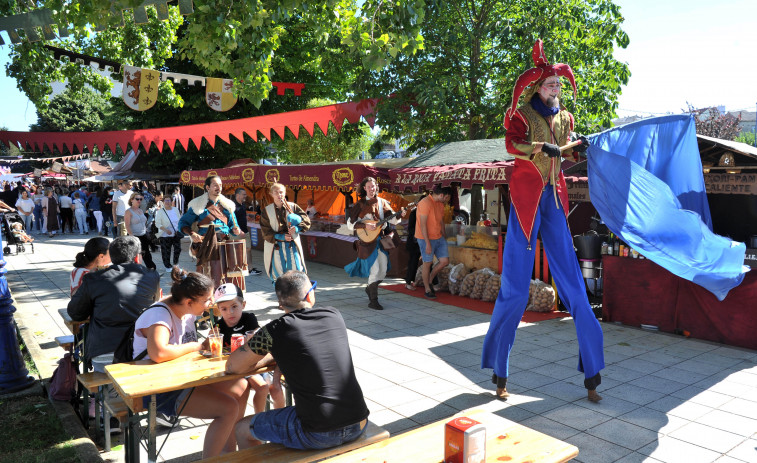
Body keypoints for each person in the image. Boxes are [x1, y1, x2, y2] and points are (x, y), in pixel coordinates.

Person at [481, 39, 601, 403]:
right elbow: (510, 145)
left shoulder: (565, 117)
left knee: (576, 289)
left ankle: (593, 373)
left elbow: (564, 147)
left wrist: (576, 144)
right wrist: (537, 148)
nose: (555, 90)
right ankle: (500, 373)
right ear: (537, 88)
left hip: (554, 199)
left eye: (558, 86)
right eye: (550, 85)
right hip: (526, 202)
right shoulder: (521, 115)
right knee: (515, 289)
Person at [227, 270, 369, 450]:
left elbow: (233, 366)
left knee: (241, 427)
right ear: (310, 296)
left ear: (280, 304)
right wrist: (277, 353)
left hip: (317, 432)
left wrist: (268, 356)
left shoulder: (275, 331)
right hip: (359, 422)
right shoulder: (334, 316)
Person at [133, 268, 249, 458]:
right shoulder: (160, 316)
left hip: (183, 378)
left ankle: (228, 450)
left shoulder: (186, 310)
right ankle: (210, 459)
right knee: (228, 409)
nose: (211, 304)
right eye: (206, 300)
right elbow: (159, 352)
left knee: (241, 387)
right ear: (189, 302)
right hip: (159, 388)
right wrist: (196, 346)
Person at [67, 236, 160, 366]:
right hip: (143, 348)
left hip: (106, 350)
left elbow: (75, 313)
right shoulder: (152, 276)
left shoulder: (93, 279)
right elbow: (154, 306)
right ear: (137, 258)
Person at [214, 283, 284, 413]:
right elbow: (211, 346)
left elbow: (258, 339)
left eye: (234, 306)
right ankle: (258, 419)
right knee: (261, 388)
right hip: (234, 367)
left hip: (252, 362)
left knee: (274, 388)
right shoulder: (218, 326)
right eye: (224, 309)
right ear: (218, 310)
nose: (230, 312)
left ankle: (271, 417)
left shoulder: (249, 319)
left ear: (243, 305)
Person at [344, 177, 405, 310]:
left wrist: (400, 214)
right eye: (369, 186)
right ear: (364, 188)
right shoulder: (360, 204)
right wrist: (365, 226)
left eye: (374, 186)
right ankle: (373, 300)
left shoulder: (383, 202)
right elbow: (350, 224)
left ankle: (370, 288)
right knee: (375, 269)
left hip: (380, 241)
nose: (372, 189)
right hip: (367, 243)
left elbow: (393, 220)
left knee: (382, 271)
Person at [178, 175, 242, 287]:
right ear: (207, 187)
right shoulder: (198, 204)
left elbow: (233, 226)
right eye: (215, 185)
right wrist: (192, 234)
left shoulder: (228, 205)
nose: (219, 187)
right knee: (205, 276)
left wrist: (235, 230)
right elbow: (183, 223)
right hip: (205, 243)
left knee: (225, 274)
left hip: (224, 243)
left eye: (220, 185)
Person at [259, 183, 310, 282]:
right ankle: (282, 295)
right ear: (271, 194)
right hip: (276, 246)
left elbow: (306, 221)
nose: (279, 195)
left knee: (297, 272)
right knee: (278, 275)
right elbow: (265, 231)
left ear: (285, 192)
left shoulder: (293, 207)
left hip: (292, 245)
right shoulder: (266, 211)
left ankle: (298, 295)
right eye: (276, 192)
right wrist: (281, 237)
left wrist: (297, 228)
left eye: (281, 192)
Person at [416, 185, 452, 298]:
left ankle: (430, 279)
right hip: (425, 237)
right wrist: (427, 243)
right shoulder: (425, 203)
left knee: (445, 261)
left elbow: (441, 220)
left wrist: (444, 235)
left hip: (438, 237)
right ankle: (427, 289)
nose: (447, 200)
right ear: (441, 195)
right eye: (446, 198)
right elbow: (423, 225)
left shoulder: (440, 204)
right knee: (427, 263)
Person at [232, 187, 262, 276]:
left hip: (245, 231)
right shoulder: (232, 206)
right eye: (243, 194)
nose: (245, 196)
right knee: (237, 251)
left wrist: (248, 217)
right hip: (236, 232)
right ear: (237, 195)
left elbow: (242, 216)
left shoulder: (243, 205)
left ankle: (250, 269)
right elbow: (231, 220)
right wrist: (238, 230)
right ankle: (236, 268)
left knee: (248, 249)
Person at [124, 194, 157, 270]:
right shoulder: (128, 211)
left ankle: (151, 269)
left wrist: (146, 233)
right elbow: (127, 225)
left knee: (146, 254)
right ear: (132, 200)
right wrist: (132, 237)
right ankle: (134, 272)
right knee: (135, 256)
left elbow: (143, 223)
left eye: (140, 199)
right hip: (134, 236)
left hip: (144, 235)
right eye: (137, 199)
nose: (139, 201)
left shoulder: (140, 210)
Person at [155, 196, 182, 273]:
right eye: (166, 200)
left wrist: (180, 229)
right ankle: (167, 266)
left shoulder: (175, 210)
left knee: (178, 249)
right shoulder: (160, 211)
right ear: (163, 202)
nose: (167, 202)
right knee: (166, 251)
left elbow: (179, 220)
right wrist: (166, 230)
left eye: (169, 200)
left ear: (171, 201)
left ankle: (175, 264)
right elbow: (157, 223)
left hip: (176, 233)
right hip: (165, 234)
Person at [404, 205, 421, 291]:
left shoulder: (425, 212)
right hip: (414, 242)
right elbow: (410, 228)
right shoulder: (414, 213)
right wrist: (418, 234)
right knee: (413, 261)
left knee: (423, 262)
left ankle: (413, 280)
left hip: (421, 240)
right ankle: (408, 282)